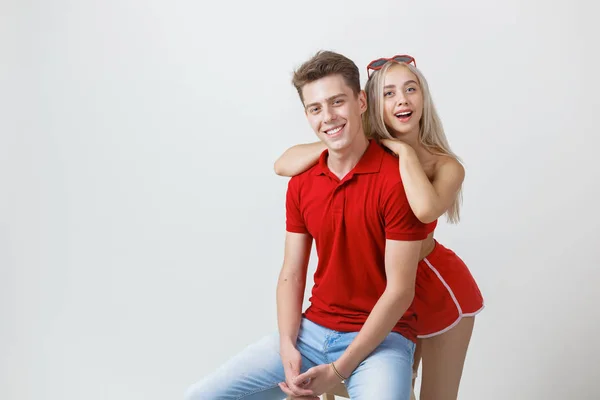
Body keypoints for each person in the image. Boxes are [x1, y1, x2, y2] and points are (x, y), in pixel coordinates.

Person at [184, 50, 429, 400]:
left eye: (337, 102)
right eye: (316, 108)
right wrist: (287, 345)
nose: (328, 117)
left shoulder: (396, 180)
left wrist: (338, 370)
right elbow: (292, 272)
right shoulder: (302, 182)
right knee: (199, 396)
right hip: (312, 331)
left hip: (383, 340)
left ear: (361, 101)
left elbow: (400, 291)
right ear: (307, 115)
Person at [273, 54, 484, 400]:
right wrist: (338, 142)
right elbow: (283, 164)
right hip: (380, 285)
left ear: (423, 98)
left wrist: (404, 152)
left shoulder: (444, 165)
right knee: (370, 383)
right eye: (388, 93)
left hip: (435, 287)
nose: (401, 99)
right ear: (368, 104)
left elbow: (426, 207)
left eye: (410, 89)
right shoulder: (364, 150)